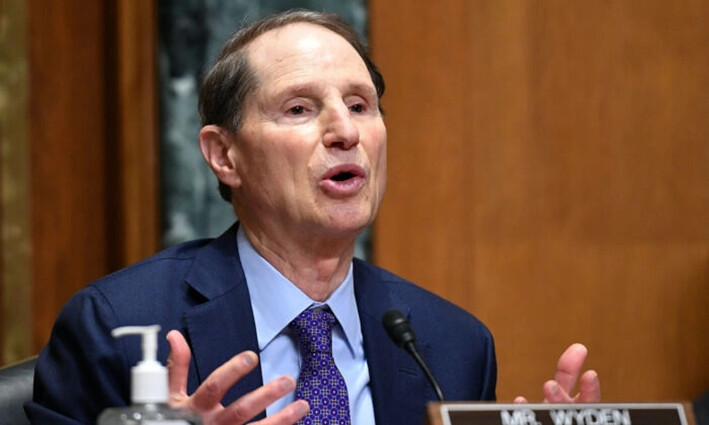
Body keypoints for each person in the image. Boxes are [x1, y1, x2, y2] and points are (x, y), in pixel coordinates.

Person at [25, 9, 600, 425]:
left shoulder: (451, 345)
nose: (346, 131)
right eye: (299, 108)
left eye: (359, 105)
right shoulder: (120, 328)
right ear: (224, 156)